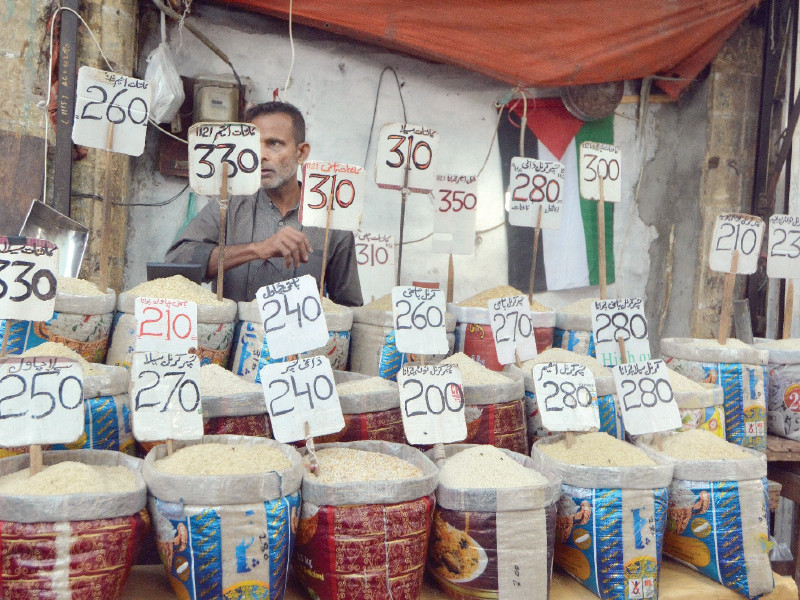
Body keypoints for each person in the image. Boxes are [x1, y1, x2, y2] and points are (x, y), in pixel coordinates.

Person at [165, 101, 363, 306]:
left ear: (301, 153)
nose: (260, 156)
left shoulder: (331, 219)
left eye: (274, 143)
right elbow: (176, 264)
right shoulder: (228, 204)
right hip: (237, 338)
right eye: (253, 146)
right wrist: (258, 249)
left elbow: (348, 308)